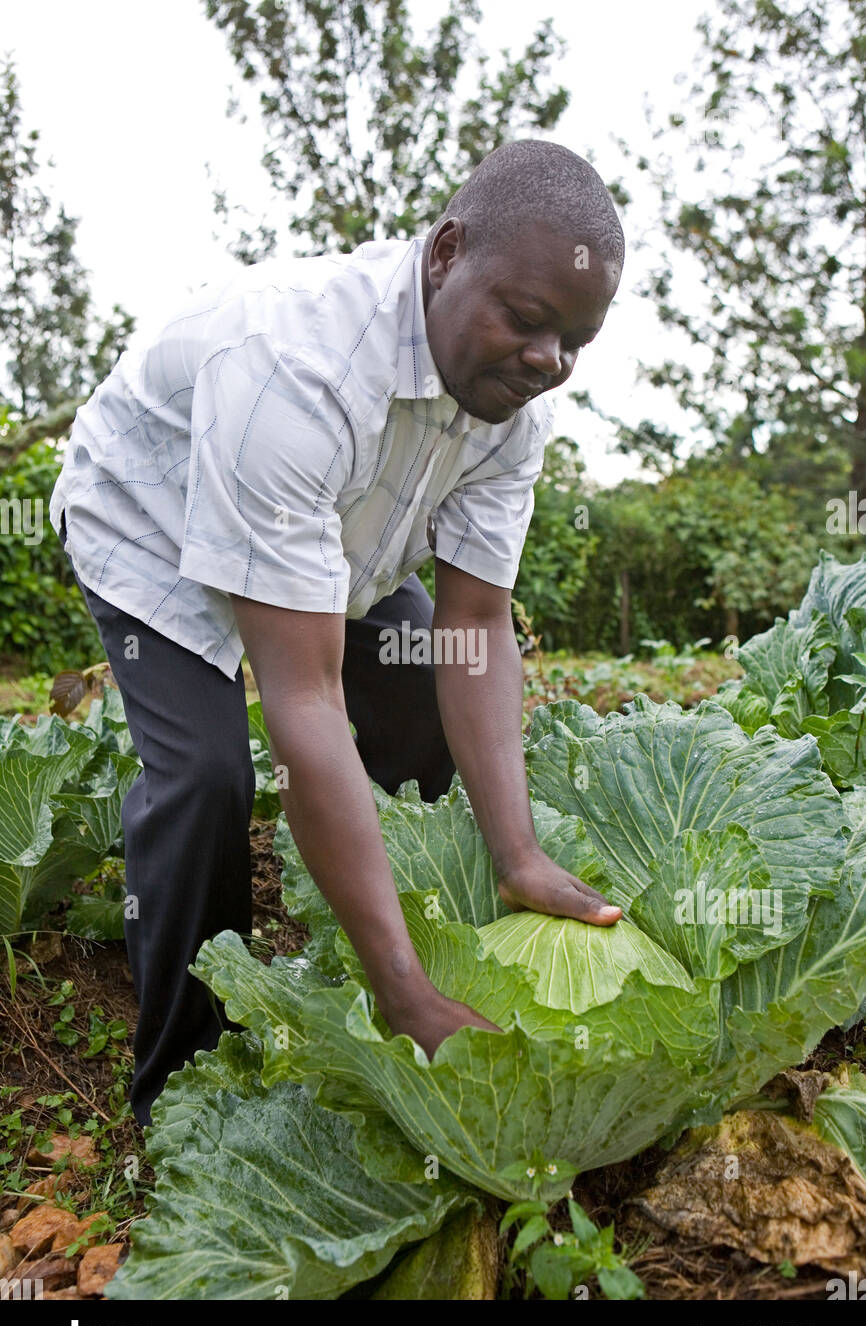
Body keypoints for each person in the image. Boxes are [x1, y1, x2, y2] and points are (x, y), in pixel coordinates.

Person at [49, 138, 626, 1128]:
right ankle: (183, 1088)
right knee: (205, 777)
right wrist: (401, 990)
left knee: (418, 701)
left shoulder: (509, 411)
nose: (548, 363)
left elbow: (476, 626)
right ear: (444, 253)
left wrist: (516, 851)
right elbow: (303, 702)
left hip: (329, 545)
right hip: (150, 524)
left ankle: (389, 937)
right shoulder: (297, 366)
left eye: (574, 342)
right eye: (527, 322)